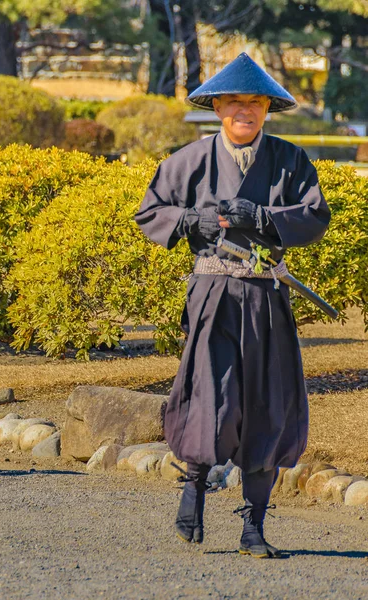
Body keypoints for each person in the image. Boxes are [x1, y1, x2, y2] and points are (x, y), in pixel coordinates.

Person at [134, 53, 331, 558]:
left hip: (266, 300)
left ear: (267, 108)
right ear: (218, 106)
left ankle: (253, 526)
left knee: (267, 403)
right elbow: (150, 210)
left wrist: (264, 215)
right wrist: (187, 222)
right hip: (212, 299)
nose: (246, 109)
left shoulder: (290, 159)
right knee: (210, 399)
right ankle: (194, 488)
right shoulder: (190, 159)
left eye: (256, 101)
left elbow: (314, 215)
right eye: (236, 101)